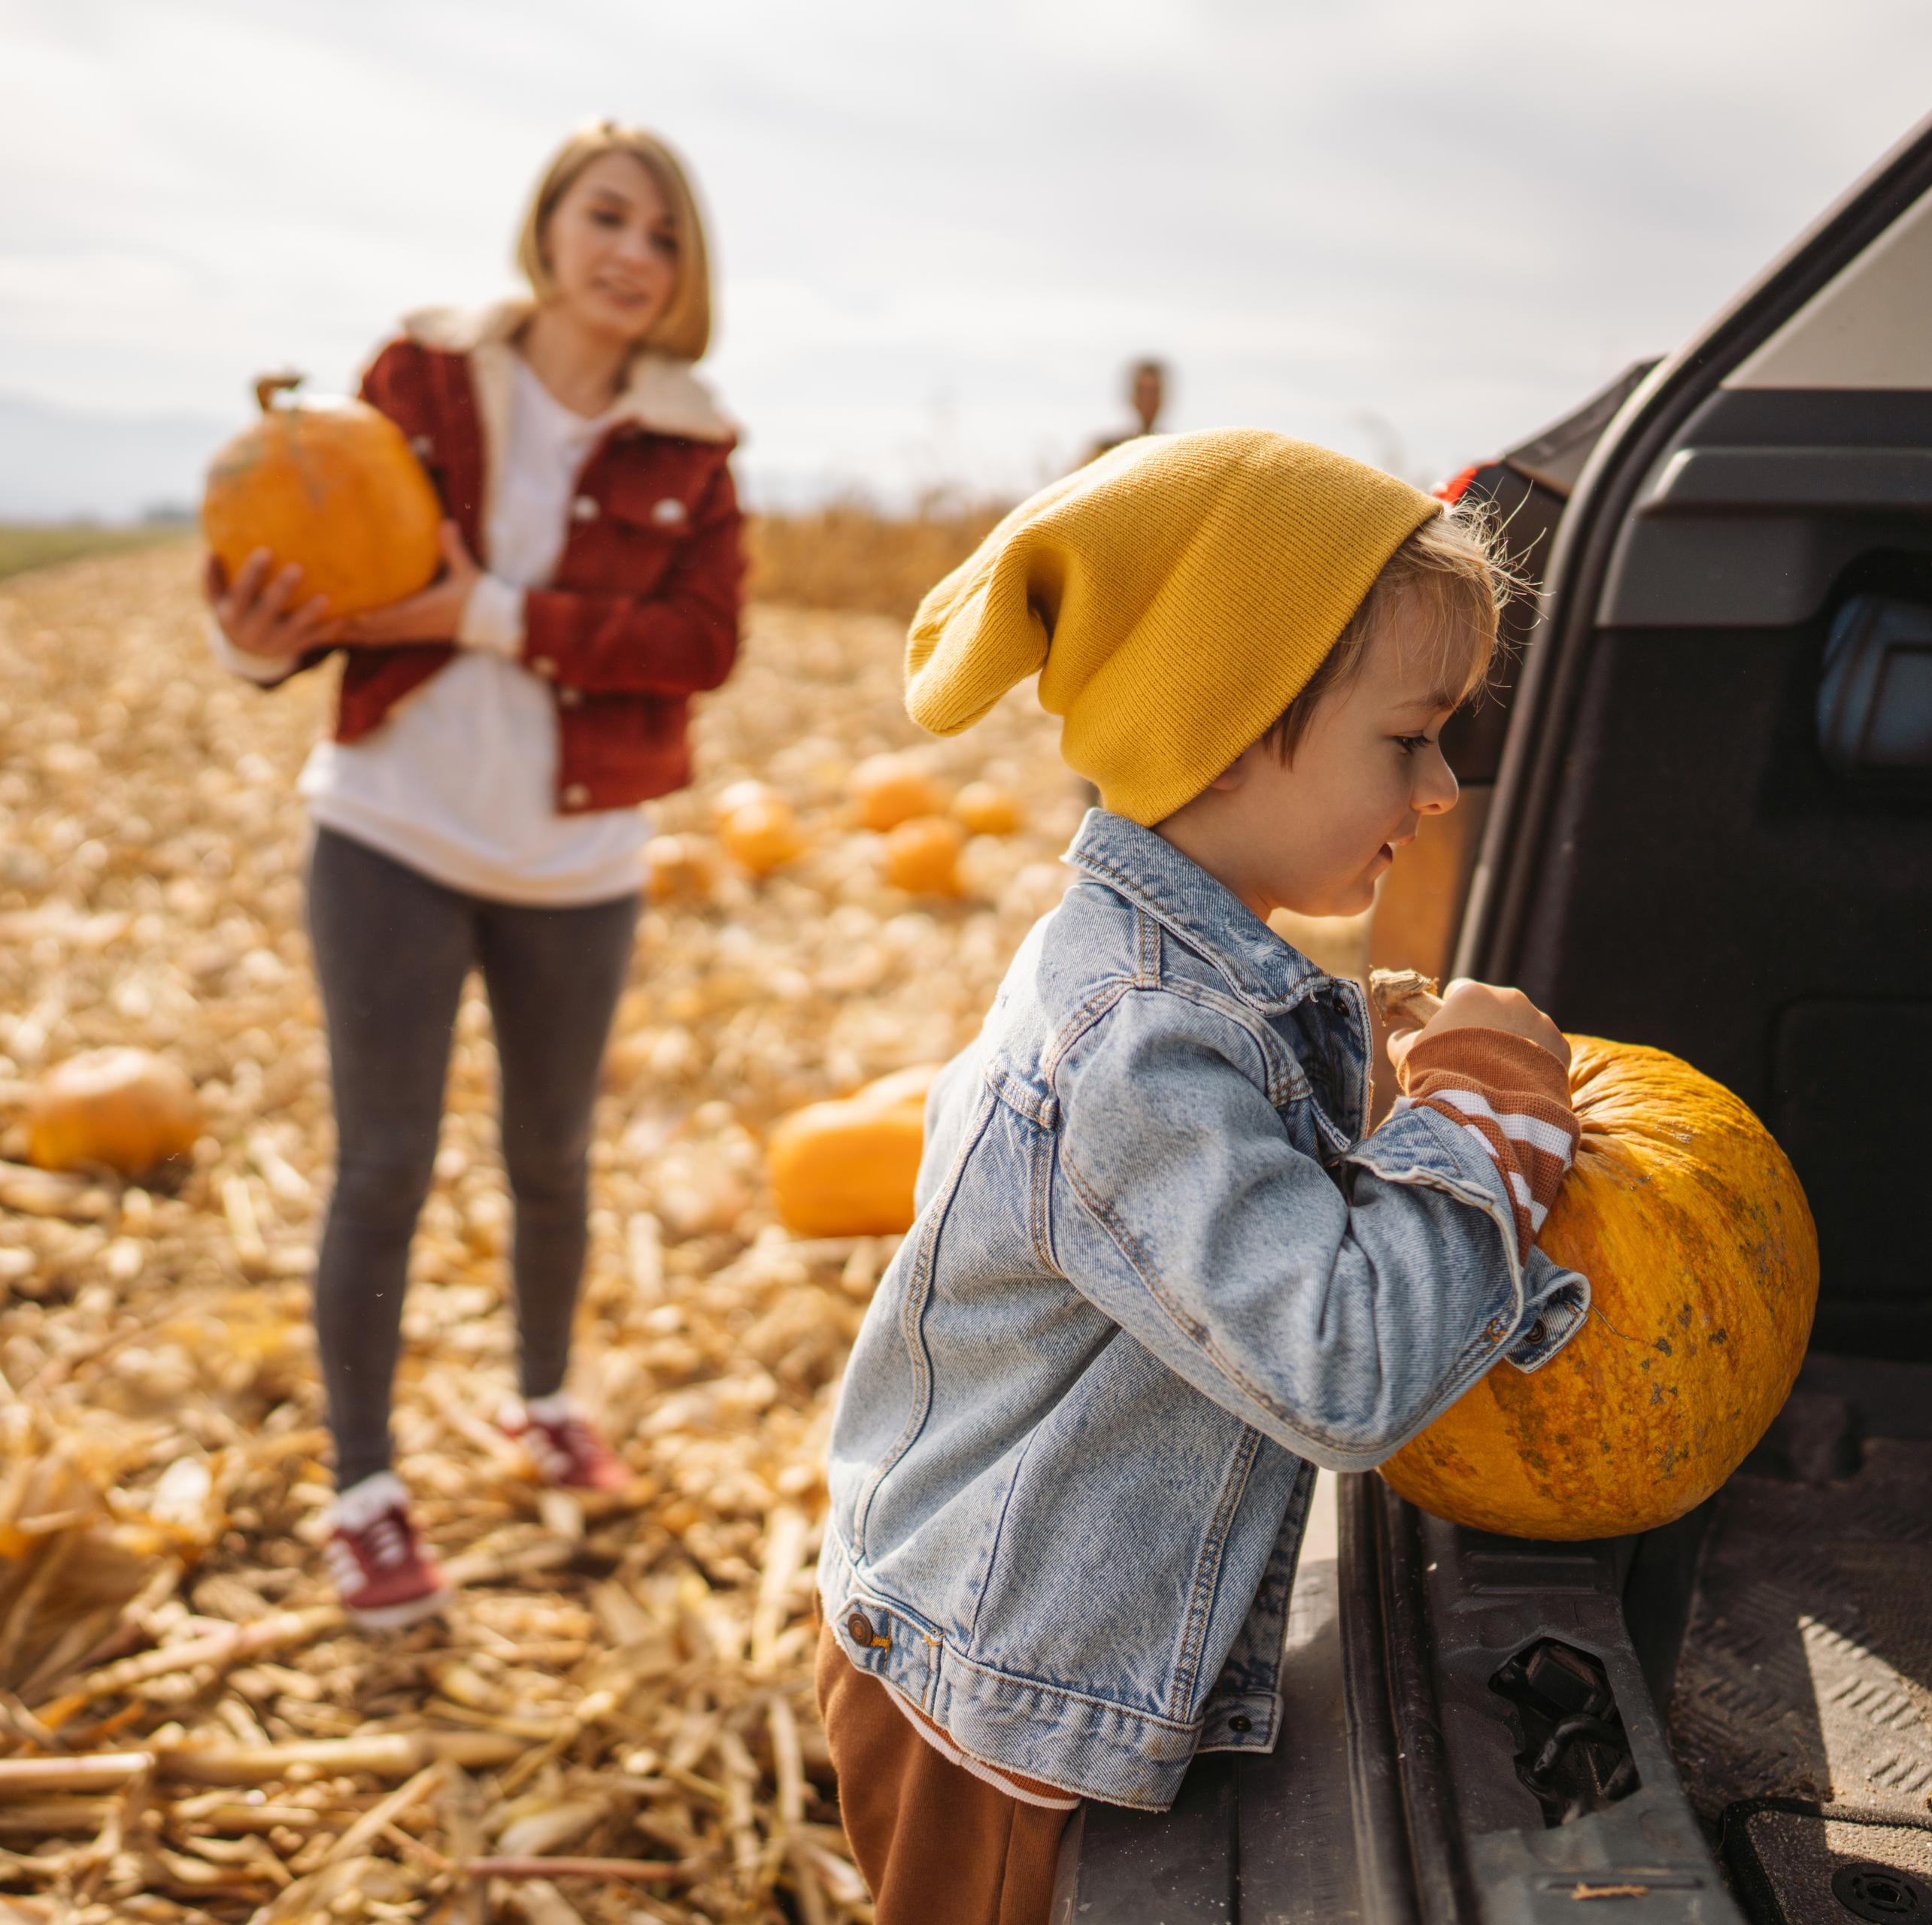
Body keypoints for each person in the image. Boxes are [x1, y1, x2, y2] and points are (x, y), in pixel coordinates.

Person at [815, 429, 1590, 1922]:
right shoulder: (1135, 1047)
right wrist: (1487, 1115)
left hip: (1022, 1664)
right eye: (1410, 736)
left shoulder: (1195, 986)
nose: (1440, 788)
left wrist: (1364, 1069)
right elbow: (1344, 1367)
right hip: (994, 1721)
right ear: (1231, 726)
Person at [202, 120, 744, 1629]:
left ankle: (542, 1392)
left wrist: (488, 609)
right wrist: (254, 643)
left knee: (553, 1155)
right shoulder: (418, 380)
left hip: (578, 856)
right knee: (384, 1160)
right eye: (609, 217)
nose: (632, 254)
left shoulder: (695, 451)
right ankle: (364, 1488)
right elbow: (324, 573)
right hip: (392, 827)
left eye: (664, 236)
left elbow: (703, 646)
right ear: (549, 227)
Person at [1084, 355, 1169, 462]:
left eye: (1154, 393)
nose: (1148, 400)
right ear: (1132, 396)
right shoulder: (1106, 449)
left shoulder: (1172, 448)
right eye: (1142, 393)